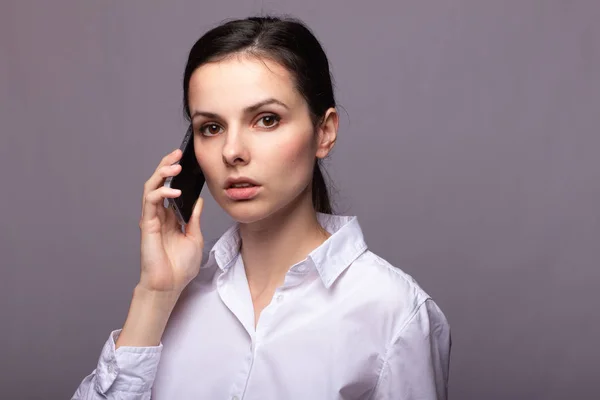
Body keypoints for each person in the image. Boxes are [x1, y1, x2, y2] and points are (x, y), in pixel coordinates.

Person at [72, 15, 451, 400]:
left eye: (266, 120)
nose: (232, 151)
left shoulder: (394, 313)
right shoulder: (175, 300)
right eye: (211, 127)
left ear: (325, 132)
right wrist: (154, 294)